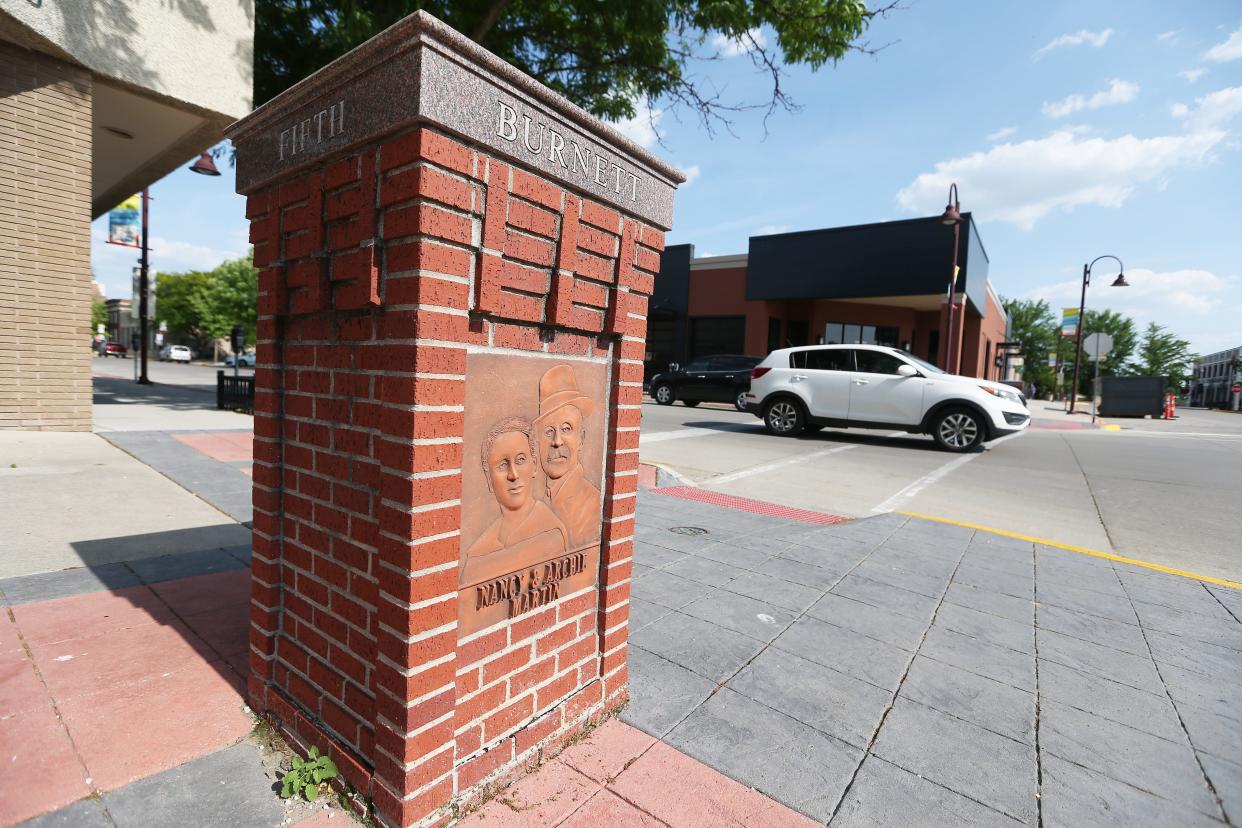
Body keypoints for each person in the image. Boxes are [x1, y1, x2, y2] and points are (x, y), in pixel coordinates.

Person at [461, 416, 567, 586]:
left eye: (520, 461)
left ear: (534, 465)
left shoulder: (550, 534)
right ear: (489, 478)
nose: (513, 475)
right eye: (502, 465)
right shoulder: (477, 553)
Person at [534, 365, 602, 549]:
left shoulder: (592, 505)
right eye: (548, 431)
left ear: (582, 438)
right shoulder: (535, 500)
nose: (557, 441)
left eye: (566, 429)